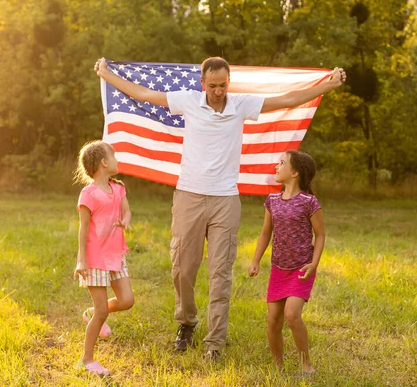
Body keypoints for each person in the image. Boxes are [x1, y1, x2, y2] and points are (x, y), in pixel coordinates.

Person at [94, 56, 345, 360]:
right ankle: (186, 322)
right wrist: (107, 75)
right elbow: (144, 94)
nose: (217, 91)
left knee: (220, 273)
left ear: (229, 81)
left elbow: (287, 99)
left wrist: (328, 86)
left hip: (225, 199)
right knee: (182, 270)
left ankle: (215, 342)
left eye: (223, 85)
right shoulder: (187, 100)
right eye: (212, 85)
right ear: (202, 83)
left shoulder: (240, 105)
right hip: (189, 196)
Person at [248, 150, 324, 375]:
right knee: (273, 320)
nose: (276, 166)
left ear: (295, 172)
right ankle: (278, 367)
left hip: (301, 268)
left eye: (281, 163)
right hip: (278, 269)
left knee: (292, 314)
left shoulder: (309, 202)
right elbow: (265, 233)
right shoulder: (272, 201)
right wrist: (255, 260)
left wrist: (314, 264)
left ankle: (306, 364)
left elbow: (320, 235)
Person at [73, 140, 134, 376]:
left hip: (116, 254)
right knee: (103, 312)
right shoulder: (88, 194)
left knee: (127, 300)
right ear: (104, 162)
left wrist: (126, 220)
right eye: (114, 155)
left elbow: (126, 210)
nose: (117, 159)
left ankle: (92, 312)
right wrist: (81, 260)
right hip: (95, 258)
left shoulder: (118, 188)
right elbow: (83, 230)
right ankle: (86, 360)